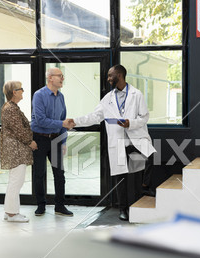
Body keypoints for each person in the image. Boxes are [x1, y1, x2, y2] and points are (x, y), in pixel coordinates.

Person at [73, 64, 156, 221]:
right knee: (121, 179)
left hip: (134, 141)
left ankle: (138, 203)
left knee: (138, 173)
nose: (108, 78)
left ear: (120, 75)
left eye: (110, 75)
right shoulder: (108, 98)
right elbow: (94, 117)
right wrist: (75, 122)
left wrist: (129, 123)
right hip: (118, 144)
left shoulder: (136, 95)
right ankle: (123, 209)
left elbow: (144, 117)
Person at [31, 67, 75, 217]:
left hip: (56, 138)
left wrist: (63, 141)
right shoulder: (39, 95)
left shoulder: (61, 97)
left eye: (63, 76)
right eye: (60, 76)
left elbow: (63, 118)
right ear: (50, 78)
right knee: (39, 173)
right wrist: (62, 124)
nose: (62, 79)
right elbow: (40, 120)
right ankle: (40, 205)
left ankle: (60, 206)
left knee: (59, 174)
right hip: (39, 138)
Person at [0, 81, 38, 222]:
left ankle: (9, 211)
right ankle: (11, 214)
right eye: (21, 89)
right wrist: (30, 142)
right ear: (14, 92)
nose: (23, 91)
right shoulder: (10, 108)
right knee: (16, 181)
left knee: (14, 181)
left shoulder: (12, 107)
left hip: (15, 148)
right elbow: (19, 130)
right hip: (15, 150)